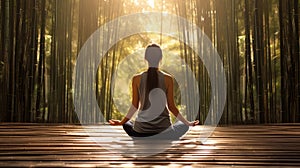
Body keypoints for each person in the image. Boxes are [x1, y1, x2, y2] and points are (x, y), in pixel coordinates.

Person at [109, 44, 199, 140]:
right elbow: (172, 107)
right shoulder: (168, 79)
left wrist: (121, 122)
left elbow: (134, 106)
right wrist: (188, 123)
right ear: (160, 58)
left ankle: (144, 135)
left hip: (141, 132)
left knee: (127, 124)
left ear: (145, 58)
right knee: (182, 125)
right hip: (165, 132)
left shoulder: (136, 79)